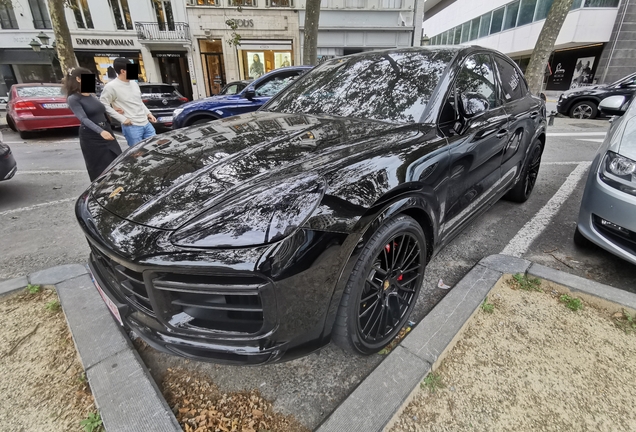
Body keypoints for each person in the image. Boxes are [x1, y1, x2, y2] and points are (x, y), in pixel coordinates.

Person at [64, 67, 122, 182]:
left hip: (106, 130)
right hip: (92, 136)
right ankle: (101, 190)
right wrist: (100, 131)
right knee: (100, 166)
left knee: (117, 158)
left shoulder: (91, 95)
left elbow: (99, 110)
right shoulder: (73, 99)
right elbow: (83, 119)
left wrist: (113, 110)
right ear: (78, 79)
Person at [99, 57, 156, 147]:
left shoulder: (134, 83)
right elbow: (103, 104)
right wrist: (122, 119)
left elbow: (139, 101)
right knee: (137, 153)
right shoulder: (111, 87)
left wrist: (148, 113)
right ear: (123, 71)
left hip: (146, 123)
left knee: (154, 148)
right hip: (132, 126)